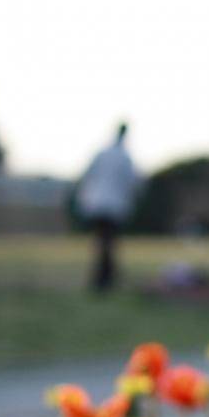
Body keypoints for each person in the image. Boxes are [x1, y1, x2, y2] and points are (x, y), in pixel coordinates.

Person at [77, 123, 141, 292]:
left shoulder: (102, 154)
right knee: (108, 243)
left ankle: (103, 278)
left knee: (102, 243)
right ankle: (105, 279)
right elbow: (133, 183)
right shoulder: (125, 157)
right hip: (113, 206)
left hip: (98, 204)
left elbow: (87, 175)